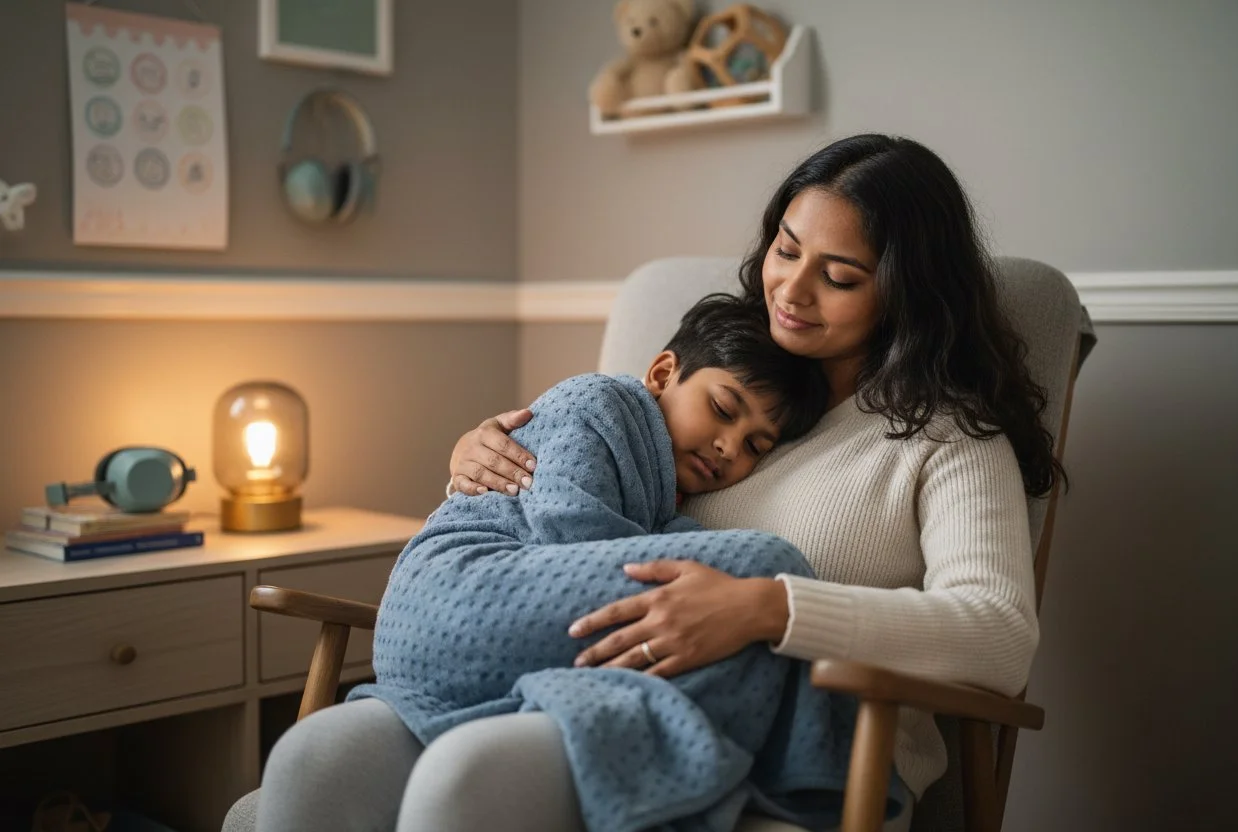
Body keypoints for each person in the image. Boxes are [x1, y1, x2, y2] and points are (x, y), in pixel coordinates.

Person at [254, 133, 1058, 832]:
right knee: (319, 756)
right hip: (571, 664)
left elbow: (998, 635)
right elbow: (585, 487)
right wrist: (483, 455)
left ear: (907, 290)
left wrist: (769, 606)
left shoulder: (945, 435)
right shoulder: (738, 369)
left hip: (751, 718)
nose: (791, 289)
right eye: (786, 248)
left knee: (473, 775)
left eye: (839, 276)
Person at [257, 296, 843, 832]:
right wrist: (687, 547)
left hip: (461, 654)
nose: (729, 447)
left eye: (755, 446)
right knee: (766, 566)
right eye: (722, 409)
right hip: (454, 591)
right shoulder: (599, 401)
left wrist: (676, 535)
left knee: (732, 589)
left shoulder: (660, 490)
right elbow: (572, 533)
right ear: (663, 374)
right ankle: (772, 772)